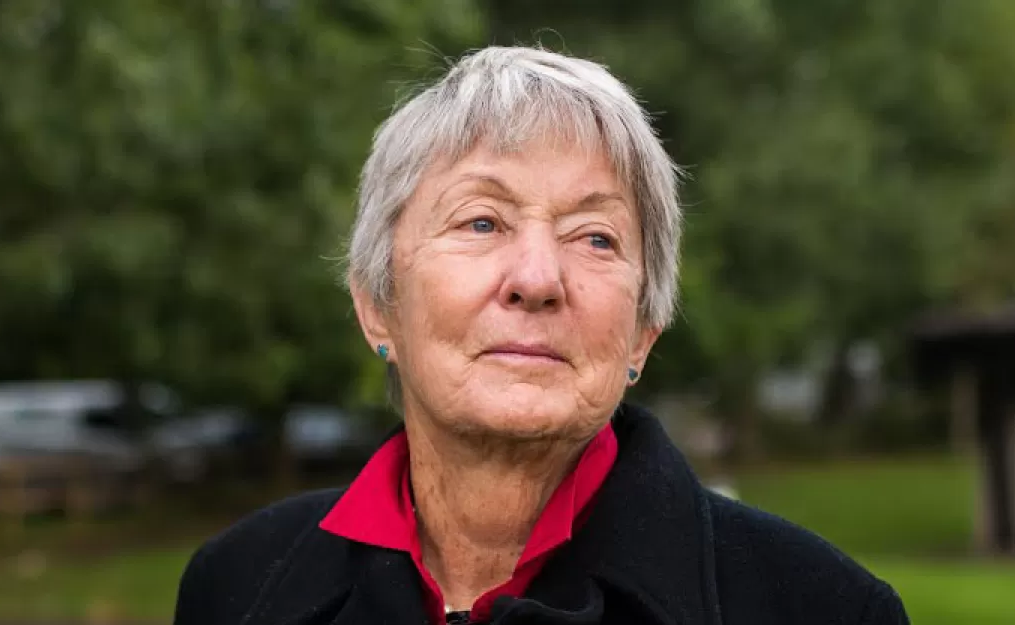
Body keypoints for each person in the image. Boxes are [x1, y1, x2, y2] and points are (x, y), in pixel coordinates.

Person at [173, 46, 909, 625]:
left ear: (642, 333)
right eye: (482, 221)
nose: (537, 277)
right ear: (377, 305)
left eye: (593, 237)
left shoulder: (823, 607)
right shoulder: (237, 586)